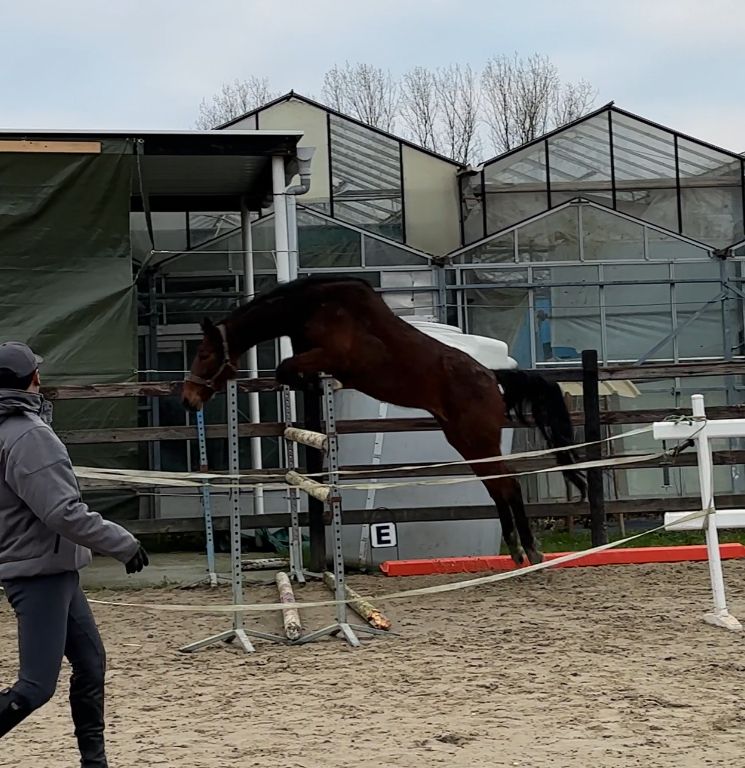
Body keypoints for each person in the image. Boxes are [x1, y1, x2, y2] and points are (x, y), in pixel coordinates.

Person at [0, 341, 149, 766]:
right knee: (35, 686)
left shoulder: (13, 428)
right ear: (33, 378)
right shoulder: (28, 435)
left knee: (90, 663)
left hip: (53, 566)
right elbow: (62, 511)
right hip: (39, 569)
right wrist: (122, 543)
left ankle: (94, 762)